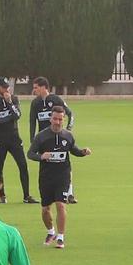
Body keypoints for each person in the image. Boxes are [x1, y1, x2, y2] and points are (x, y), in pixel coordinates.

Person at [29, 106, 92, 247]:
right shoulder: (41, 136)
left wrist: (83, 152)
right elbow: (30, 154)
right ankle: (51, 231)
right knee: (45, 209)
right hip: (46, 177)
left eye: (60, 119)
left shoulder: (68, 136)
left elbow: (74, 150)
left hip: (63, 176)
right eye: (55, 119)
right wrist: (41, 156)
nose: (57, 122)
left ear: (63, 119)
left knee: (61, 205)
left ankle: (61, 237)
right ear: (50, 119)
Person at [0, 80, 30, 206]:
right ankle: (2, 195)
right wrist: (9, 117)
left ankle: (26, 195)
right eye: (4, 87)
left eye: (8, 87)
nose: (6, 90)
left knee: (23, 165)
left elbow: (17, 116)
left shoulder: (14, 99)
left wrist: (9, 103)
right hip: (0, 138)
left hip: (14, 137)